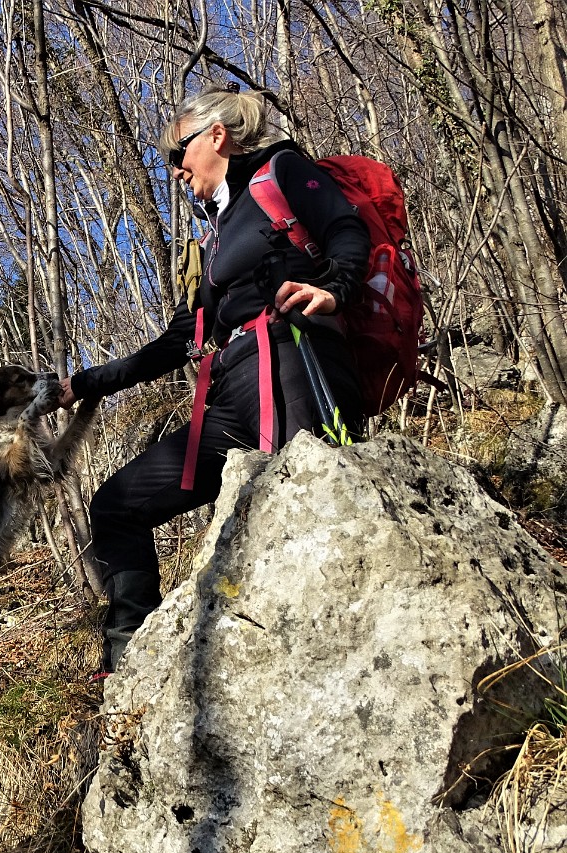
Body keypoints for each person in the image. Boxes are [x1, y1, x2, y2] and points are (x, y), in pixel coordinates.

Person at [57, 84, 371, 672]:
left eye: (177, 154)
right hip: (229, 388)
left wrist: (334, 290)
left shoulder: (280, 171)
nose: (173, 171)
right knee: (118, 505)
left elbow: (347, 230)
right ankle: (131, 656)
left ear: (216, 137)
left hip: (294, 358)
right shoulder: (217, 232)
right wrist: (87, 382)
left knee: (305, 505)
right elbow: (183, 338)